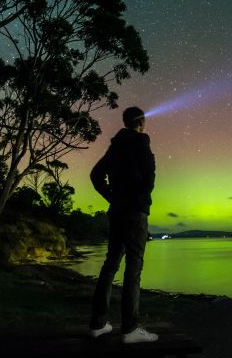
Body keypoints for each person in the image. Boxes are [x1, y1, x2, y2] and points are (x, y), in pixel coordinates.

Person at [88, 106, 158, 343]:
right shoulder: (141, 143)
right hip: (135, 214)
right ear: (141, 122)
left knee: (110, 266)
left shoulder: (115, 147)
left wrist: (112, 196)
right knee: (133, 269)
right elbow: (149, 181)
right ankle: (129, 329)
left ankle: (98, 324)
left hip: (117, 212)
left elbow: (96, 175)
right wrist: (136, 197)